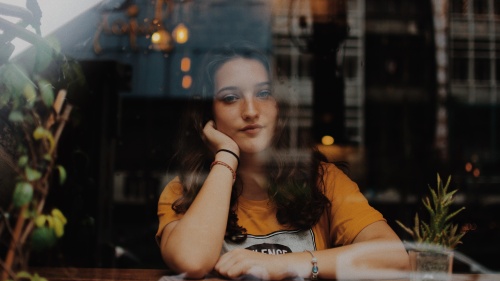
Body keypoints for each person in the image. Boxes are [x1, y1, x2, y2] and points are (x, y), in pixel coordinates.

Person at [156, 41, 410, 279]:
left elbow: (394, 258)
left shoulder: (324, 181)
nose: (251, 111)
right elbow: (192, 261)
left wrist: (284, 264)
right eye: (230, 98)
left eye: (264, 93)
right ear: (208, 113)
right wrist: (226, 155)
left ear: (280, 106)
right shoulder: (184, 190)